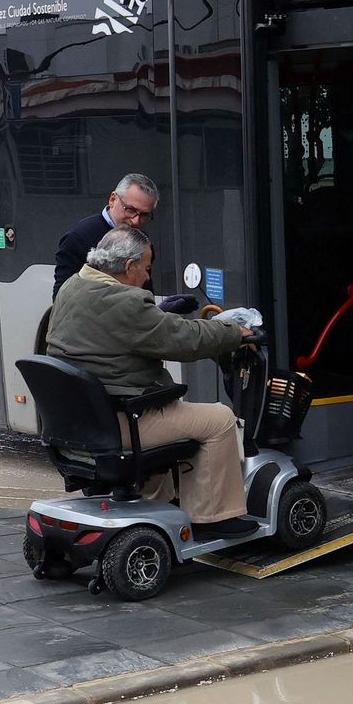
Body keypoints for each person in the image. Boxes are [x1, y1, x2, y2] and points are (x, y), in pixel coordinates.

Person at [46, 226, 258, 539]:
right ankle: (213, 516)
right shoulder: (124, 302)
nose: (147, 276)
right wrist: (232, 333)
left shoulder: (74, 287)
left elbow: (110, 329)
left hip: (79, 422)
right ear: (129, 267)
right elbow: (184, 341)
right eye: (146, 268)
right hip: (119, 421)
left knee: (170, 410)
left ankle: (159, 504)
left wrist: (157, 313)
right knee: (219, 419)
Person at [52, 173, 159, 299]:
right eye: (130, 210)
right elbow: (62, 298)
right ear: (113, 199)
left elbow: (146, 290)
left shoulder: (142, 240)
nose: (135, 220)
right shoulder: (78, 238)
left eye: (144, 215)